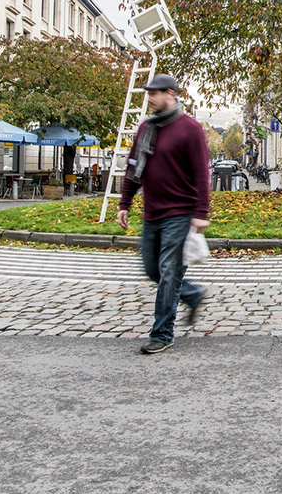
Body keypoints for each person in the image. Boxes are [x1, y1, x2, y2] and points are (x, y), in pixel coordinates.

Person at [117, 74, 210, 355]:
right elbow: (133, 167)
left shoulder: (190, 129)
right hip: (152, 212)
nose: (149, 98)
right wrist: (125, 203)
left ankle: (162, 333)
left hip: (180, 213)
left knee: (170, 272)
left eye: (154, 94)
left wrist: (201, 211)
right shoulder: (146, 127)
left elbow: (201, 174)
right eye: (148, 94)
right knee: (151, 269)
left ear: (171, 93)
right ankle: (192, 295)